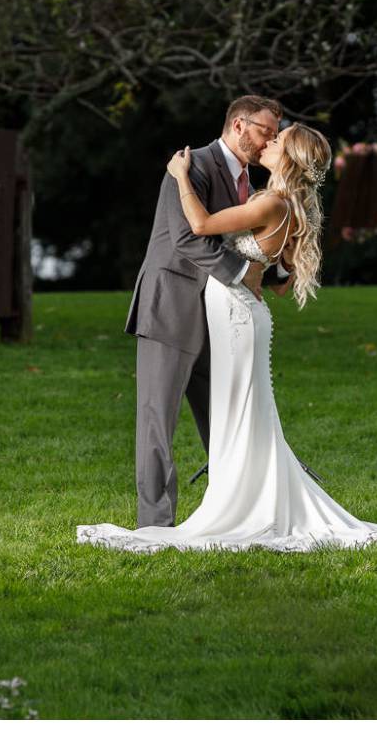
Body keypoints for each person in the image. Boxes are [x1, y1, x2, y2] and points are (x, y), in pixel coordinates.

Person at [77, 123, 377, 553]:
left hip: (236, 317)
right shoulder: (289, 204)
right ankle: (251, 497)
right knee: (245, 411)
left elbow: (201, 222)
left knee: (240, 410)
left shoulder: (271, 201)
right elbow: (283, 282)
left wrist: (178, 175)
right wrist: (260, 265)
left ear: (287, 158)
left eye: (276, 141)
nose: (267, 144)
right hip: (240, 313)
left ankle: (244, 506)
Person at [121, 95, 283, 528]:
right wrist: (244, 272)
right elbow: (185, 240)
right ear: (238, 125)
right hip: (171, 306)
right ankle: (155, 522)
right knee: (158, 419)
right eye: (265, 131)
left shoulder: (254, 182)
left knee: (226, 417)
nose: (271, 141)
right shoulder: (191, 166)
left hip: (219, 314)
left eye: (275, 134)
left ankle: (235, 512)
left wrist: (276, 269)